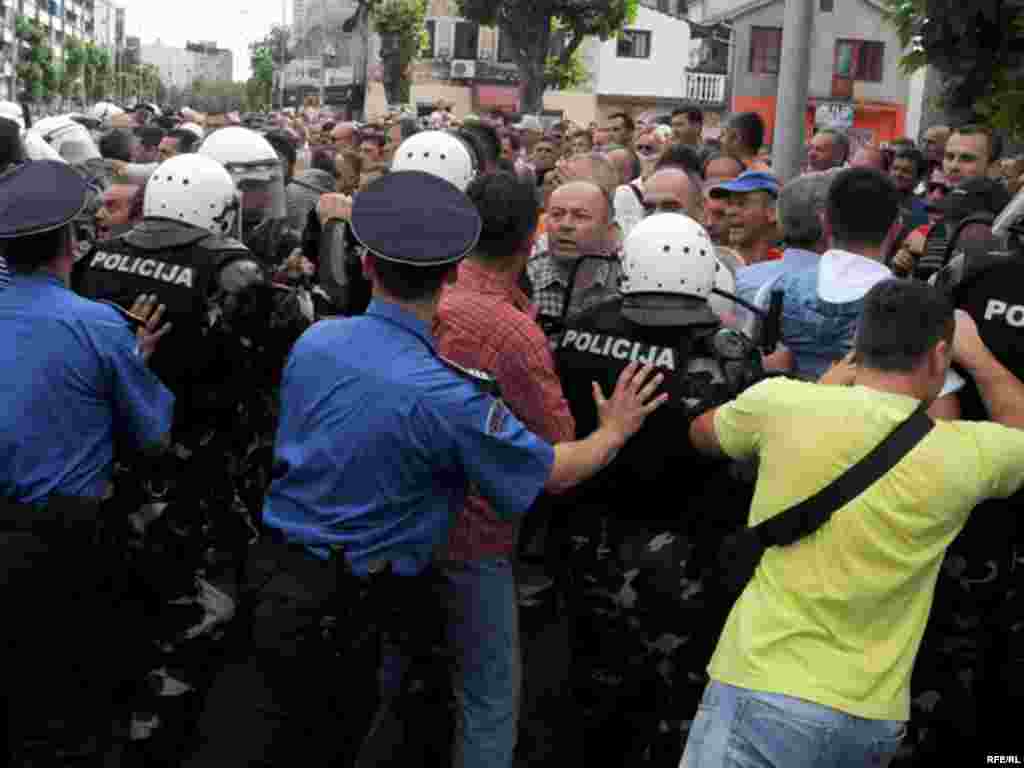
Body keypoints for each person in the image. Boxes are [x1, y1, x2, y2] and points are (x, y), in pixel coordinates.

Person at [183, 169, 666, 767]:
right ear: (447, 275)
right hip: (353, 605)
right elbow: (553, 470)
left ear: (367, 268)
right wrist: (615, 430)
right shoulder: (447, 399)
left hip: (278, 579)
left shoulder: (319, 342)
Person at [684, 278, 1024, 767]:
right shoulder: (966, 453)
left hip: (761, 683)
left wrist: (813, 393)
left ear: (857, 346)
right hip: (870, 716)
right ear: (939, 356)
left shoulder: (782, 404)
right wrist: (981, 360)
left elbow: (702, 433)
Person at [554, 212, 764, 765]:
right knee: (676, 702)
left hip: (587, 538)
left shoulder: (580, 329)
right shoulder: (730, 352)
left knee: (592, 687)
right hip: (690, 553)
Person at [0, 159, 174, 765]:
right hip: (63, 542)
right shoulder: (98, 326)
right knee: (66, 705)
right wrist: (136, 360)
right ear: (70, 246)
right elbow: (152, 432)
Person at [433, 171, 576, 768]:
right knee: (490, 703)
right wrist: (617, 427)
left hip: (401, 523)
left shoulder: (423, 293)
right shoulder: (513, 330)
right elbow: (556, 447)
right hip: (476, 539)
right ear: (531, 237)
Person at [527, 180, 620, 339]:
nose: (565, 225)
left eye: (580, 216)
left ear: (610, 231)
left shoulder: (625, 284)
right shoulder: (524, 279)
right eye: (557, 214)